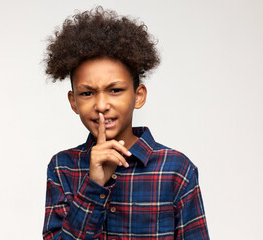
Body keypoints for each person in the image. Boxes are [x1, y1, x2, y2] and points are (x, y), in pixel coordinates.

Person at [43, 6, 209, 240]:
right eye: (87, 93)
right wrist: (94, 186)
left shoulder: (176, 171)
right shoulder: (63, 168)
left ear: (138, 95)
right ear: (73, 102)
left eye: (115, 90)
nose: (101, 105)